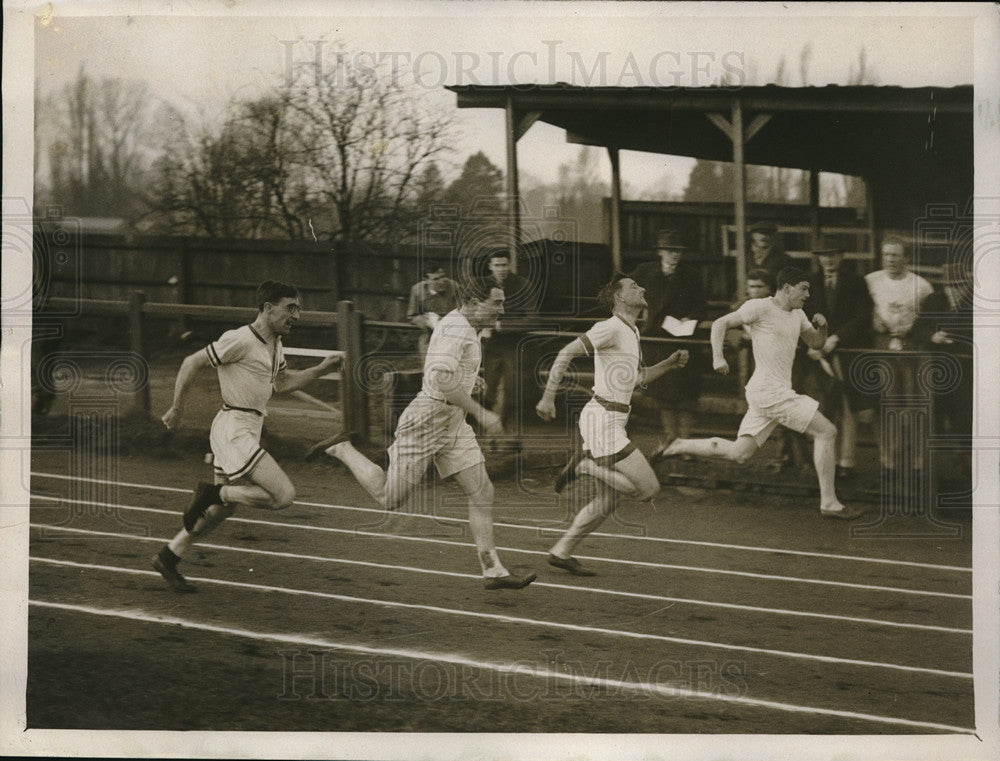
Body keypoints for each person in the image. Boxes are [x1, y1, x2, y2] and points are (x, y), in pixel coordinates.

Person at [306, 279, 536, 590]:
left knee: (482, 491)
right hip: (427, 419)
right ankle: (343, 448)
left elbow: (445, 373)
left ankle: (492, 569)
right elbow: (441, 380)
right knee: (390, 498)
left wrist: (470, 381)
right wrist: (481, 412)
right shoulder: (457, 328)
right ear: (472, 301)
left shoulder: (464, 325)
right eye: (496, 303)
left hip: (451, 421)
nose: (502, 309)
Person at [154, 281, 342, 592]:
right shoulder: (240, 339)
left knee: (220, 511)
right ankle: (210, 493)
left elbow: (282, 383)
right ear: (268, 308)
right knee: (282, 496)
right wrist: (176, 408)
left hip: (245, 429)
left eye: (299, 308)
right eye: (290, 307)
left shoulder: (275, 344)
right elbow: (191, 362)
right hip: (234, 428)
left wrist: (321, 369)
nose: (297, 314)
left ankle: (168, 556)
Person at [659, 266, 863, 520]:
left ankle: (677, 444)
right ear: (787, 288)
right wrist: (718, 357)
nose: (808, 295)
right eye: (803, 289)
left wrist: (823, 328)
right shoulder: (759, 306)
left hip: (768, 393)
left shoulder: (798, 313)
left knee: (739, 453)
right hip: (770, 392)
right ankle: (829, 502)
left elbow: (816, 343)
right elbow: (721, 323)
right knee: (827, 431)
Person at [535, 274, 690, 575]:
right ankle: (585, 466)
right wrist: (547, 397)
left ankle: (561, 551)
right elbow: (566, 352)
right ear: (619, 297)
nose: (643, 288)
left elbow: (636, 380)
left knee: (608, 499)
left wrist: (669, 364)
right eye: (634, 286)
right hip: (603, 420)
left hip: (610, 418)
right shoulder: (610, 327)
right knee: (647, 489)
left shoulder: (630, 330)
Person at [864, 237, 938, 495]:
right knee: (887, 407)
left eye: (896, 255)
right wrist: (875, 322)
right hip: (884, 350)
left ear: (907, 258)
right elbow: (865, 313)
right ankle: (889, 463)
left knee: (917, 407)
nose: (891, 260)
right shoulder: (871, 281)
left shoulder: (922, 286)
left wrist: (914, 330)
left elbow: (930, 320)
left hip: (915, 351)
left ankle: (919, 464)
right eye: (886, 255)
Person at [628, 229, 706, 457]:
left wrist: (690, 318)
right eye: (671, 251)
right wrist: (638, 311)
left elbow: (702, 305)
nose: (675, 256)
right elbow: (622, 288)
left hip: (684, 340)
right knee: (663, 397)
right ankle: (670, 442)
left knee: (685, 397)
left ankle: (686, 446)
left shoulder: (691, 275)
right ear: (661, 252)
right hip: (657, 341)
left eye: (679, 252)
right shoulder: (645, 272)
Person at [801, 247, 874, 483]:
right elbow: (800, 314)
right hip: (816, 353)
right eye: (824, 255)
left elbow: (862, 316)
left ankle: (846, 462)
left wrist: (836, 338)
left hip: (846, 351)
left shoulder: (856, 282)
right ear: (818, 258)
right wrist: (813, 343)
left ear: (842, 257)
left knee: (847, 407)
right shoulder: (809, 282)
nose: (829, 260)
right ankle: (825, 460)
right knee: (821, 406)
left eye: (833, 255)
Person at [475, 251, 538, 437]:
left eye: (504, 265)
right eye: (497, 265)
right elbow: (472, 310)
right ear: (490, 266)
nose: (501, 269)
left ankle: (509, 435)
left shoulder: (522, 285)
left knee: (513, 389)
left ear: (510, 265)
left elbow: (533, 319)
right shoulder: (481, 284)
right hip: (488, 344)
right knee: (484, 387)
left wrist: (501, 325)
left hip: (513, 345)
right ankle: (482, 432)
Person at [406, 263, 459, 360]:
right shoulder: (417, 290)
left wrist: (444, 321)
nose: (441, 281)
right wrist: (428, 321)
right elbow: (412, 315)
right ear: (426, 280)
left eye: (443, 277)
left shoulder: (453, 286)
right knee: (430, 370)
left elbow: (462, 312)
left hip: (452, 336)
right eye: (435, 279)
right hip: (429, 337)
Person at [744, 221, 794, 288]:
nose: (764, 236)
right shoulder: (744, 256)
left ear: (773, 236)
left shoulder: (783, 258)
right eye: (760, 233)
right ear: (752, 235)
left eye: (768, 234)